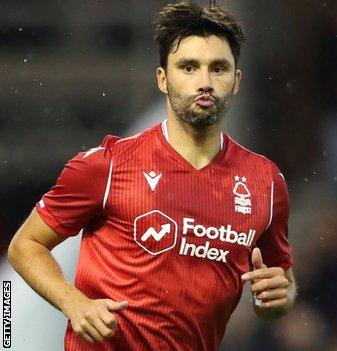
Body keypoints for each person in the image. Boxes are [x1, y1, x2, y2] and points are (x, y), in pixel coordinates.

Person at [7, 1, 297, 350]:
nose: (204, 82)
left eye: (217, 68)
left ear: (236, 82)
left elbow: (280, 285)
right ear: (163, 78)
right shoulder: (107, 166)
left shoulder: (265, 183)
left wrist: (279, 300)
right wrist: (74, 303)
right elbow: (25, 246)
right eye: (188, 67)